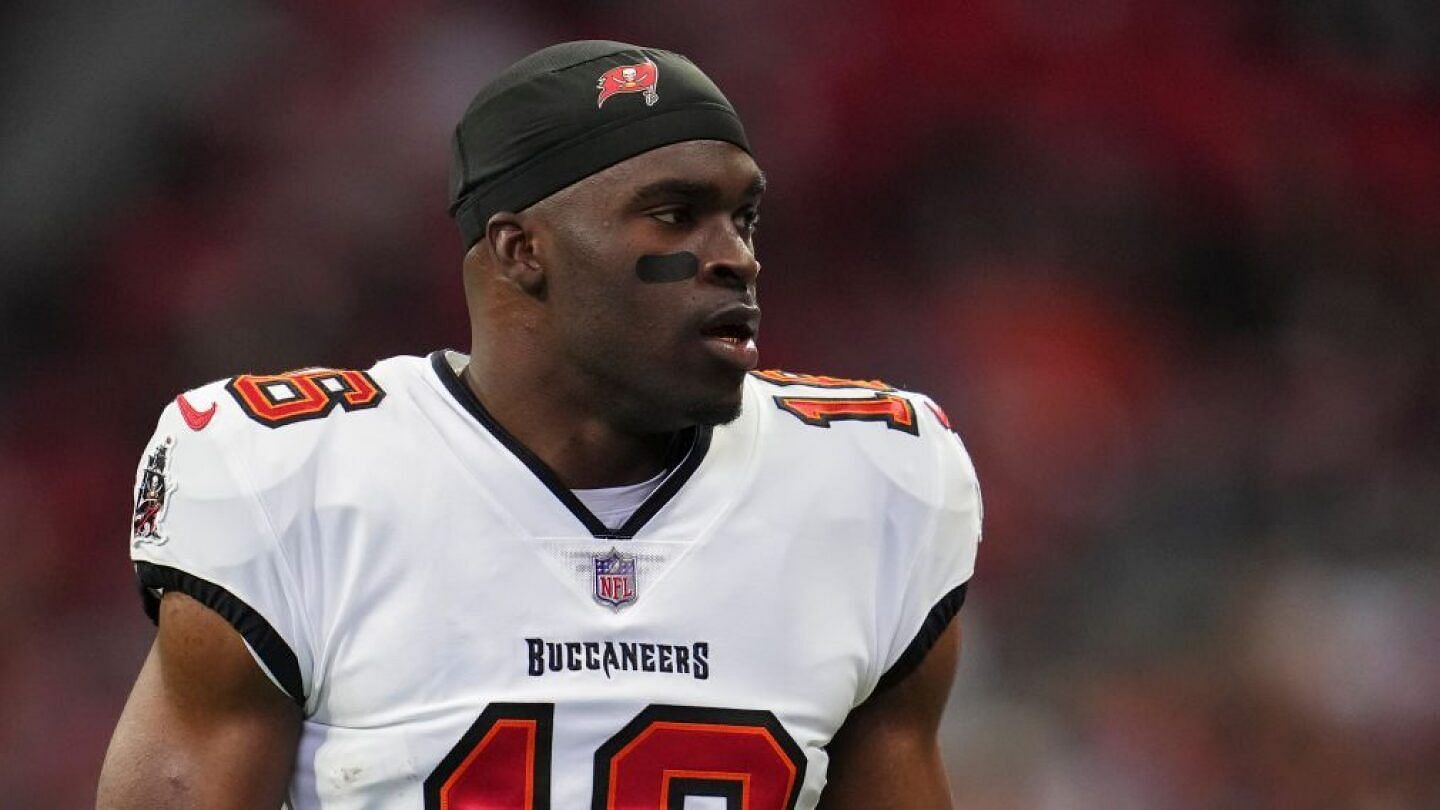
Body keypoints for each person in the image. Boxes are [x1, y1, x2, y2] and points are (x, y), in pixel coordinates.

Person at [97, 40, 982, 809]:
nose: (736, 257)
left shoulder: (871, 481)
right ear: (522, 250)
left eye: (743, 216)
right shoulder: (291, 475)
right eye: (677, 214)